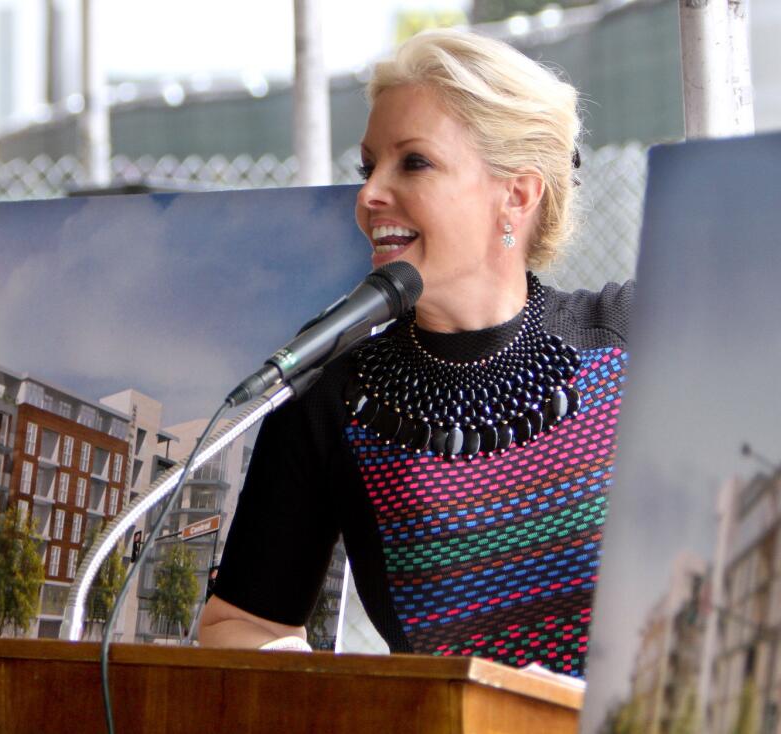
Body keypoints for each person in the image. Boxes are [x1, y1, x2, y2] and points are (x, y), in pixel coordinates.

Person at [199, 29, 632, 680]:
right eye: (367, 166)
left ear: (516, 194)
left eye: (413, 162)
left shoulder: (636, 333)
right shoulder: (330, 391)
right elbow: (242, 625)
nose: (369, 194)